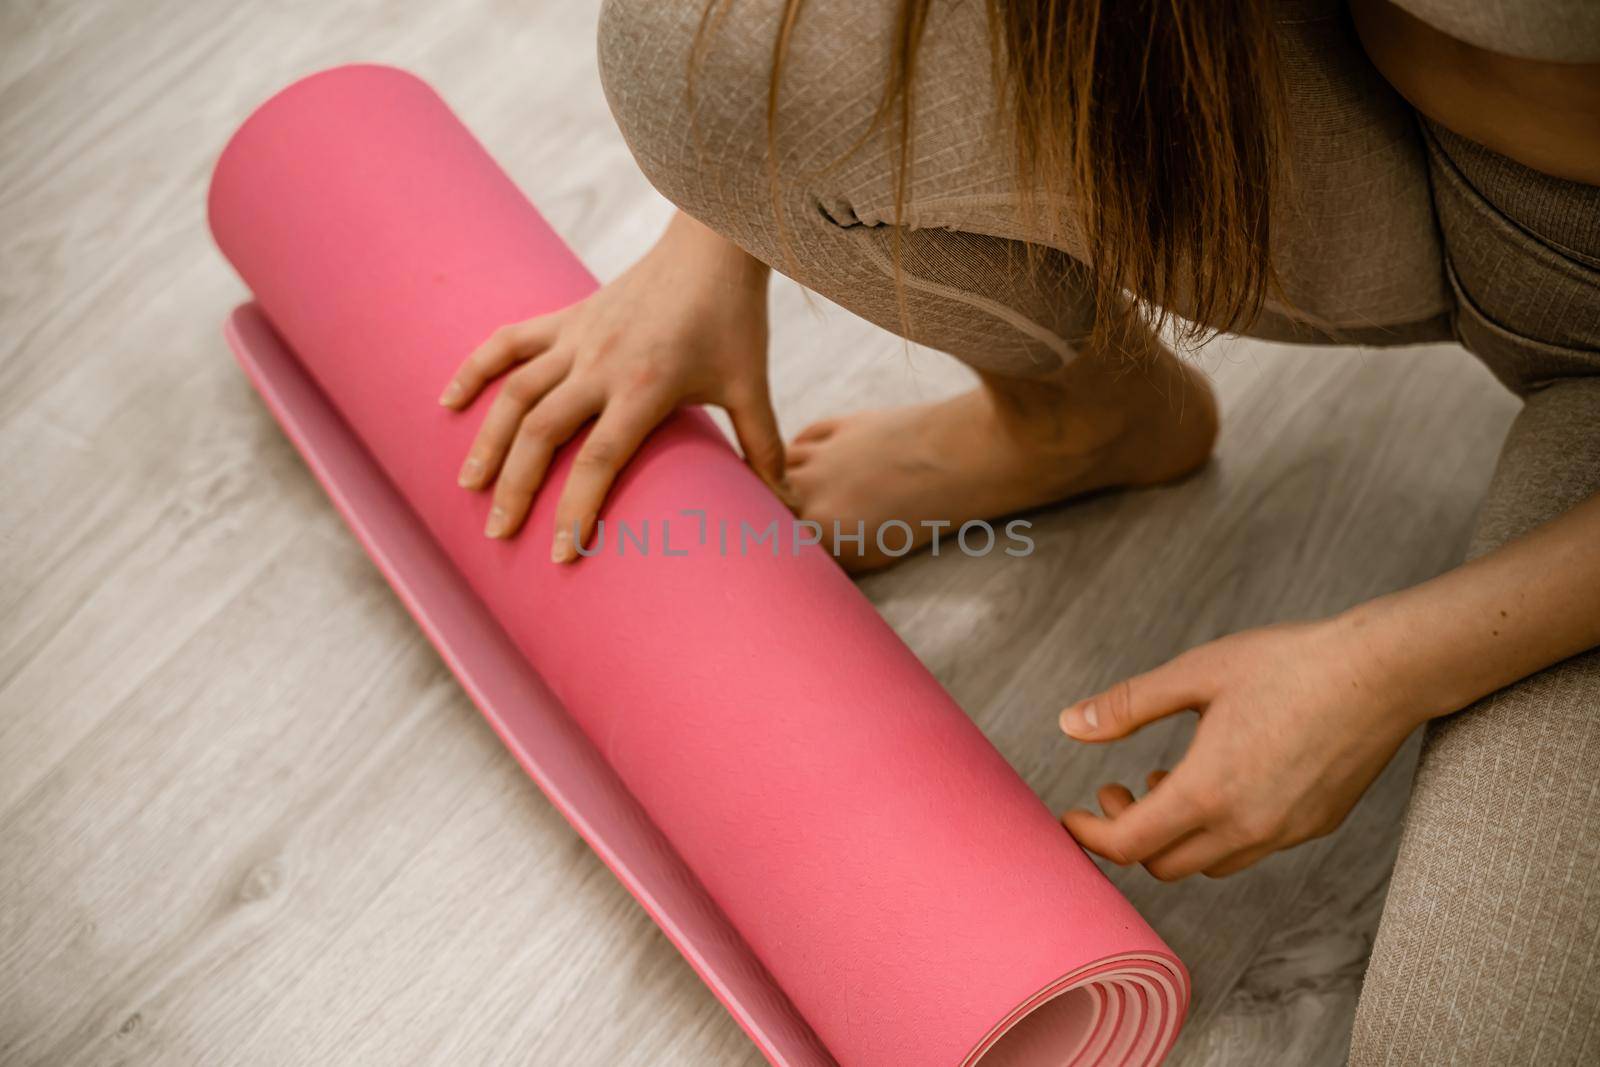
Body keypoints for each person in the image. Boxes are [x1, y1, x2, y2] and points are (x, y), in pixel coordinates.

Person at [438, 1, 1600, 1058]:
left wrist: (1387, 666)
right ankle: (1086, 421)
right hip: (1377, 130)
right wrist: (710, 231)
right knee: (700, 45)